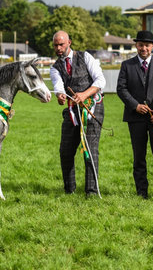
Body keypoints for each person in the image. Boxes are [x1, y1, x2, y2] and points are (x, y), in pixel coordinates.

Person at [117, 31, 153, 199]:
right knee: (139, 156)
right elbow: (121, 89)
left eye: (147, 45)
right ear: (136, 46)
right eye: (140, 45)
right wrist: (135, 106)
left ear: (152, 47)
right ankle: (142, 193)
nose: (144, 48)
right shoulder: (127, 65)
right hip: (135, 119)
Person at [50, 30, 106, 196]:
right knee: (65, 151)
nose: (58, 48)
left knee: (90, 148)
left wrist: (84, 94)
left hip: (93, 107)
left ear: (69, 42)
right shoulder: (55, 68)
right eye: (55, 45)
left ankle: (91, 191)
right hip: (71, 111)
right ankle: (69, 190)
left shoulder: (85, 57)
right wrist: (59, 95)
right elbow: (58, 86)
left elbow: (100, 80)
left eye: (61, 44)